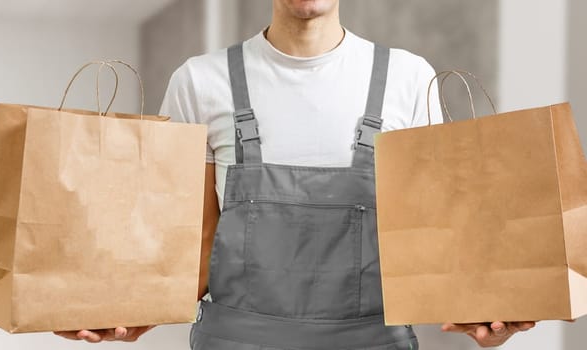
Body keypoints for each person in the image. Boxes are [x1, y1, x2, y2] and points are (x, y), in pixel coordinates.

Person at [55, 0, 541, 348]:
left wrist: (486, 313)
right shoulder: (199, 82)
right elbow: (195, 240)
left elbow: (438, 238)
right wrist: (122, 308)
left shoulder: (409, 78)